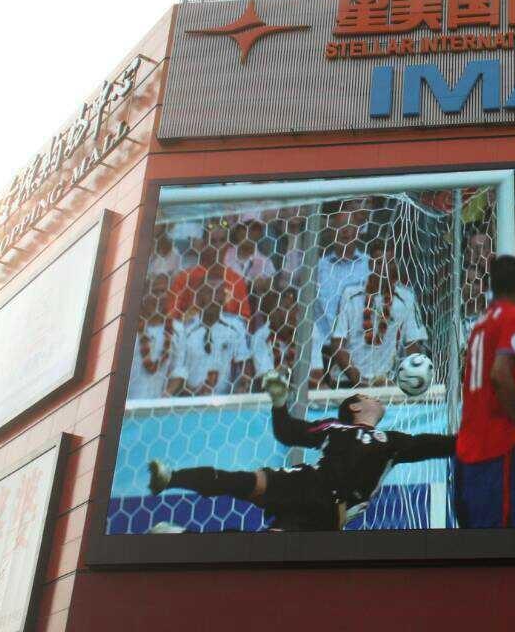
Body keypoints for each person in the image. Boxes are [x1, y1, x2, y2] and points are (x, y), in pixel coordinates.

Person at [148, 372, 456, 531]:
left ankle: (180, 537)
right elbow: (287, 431)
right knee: (242, 481)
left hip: (330, 510)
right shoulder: (333, 428)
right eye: (367, 395)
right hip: (308, 481)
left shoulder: (391, 441)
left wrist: (467, 441)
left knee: (266, 554)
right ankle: (170, 477)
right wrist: (279, 402)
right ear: (355, 407)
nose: (375, 398)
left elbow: (431, 445)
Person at [455, 256, 515, 528]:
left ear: (491, 284)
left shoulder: (481, 324)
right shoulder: (514, 317)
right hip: (497, 450)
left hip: (468, 452)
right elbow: (500, 375)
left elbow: (488, 391)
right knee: (510, 544)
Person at [330, 239, 427, 387]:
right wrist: (358, 380)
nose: (385, 269)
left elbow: (412, 344)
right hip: (348, 381)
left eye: (390, 263)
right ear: (370, 264)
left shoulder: (406, 298)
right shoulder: (350, 295)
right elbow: (338, 343)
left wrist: (403, 381)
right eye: (380, 263)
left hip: (386, 382)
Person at [165, 281, 251, 396]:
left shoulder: (235, 327)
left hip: (224, 399)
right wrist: (192, 391)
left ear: (224, 298)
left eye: (218, 293)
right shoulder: (185, 330)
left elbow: (244, 364)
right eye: (209, 292)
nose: (214, 297)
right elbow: (179, 369)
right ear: (198, 298)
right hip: (191, 398)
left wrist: (242, 387)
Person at [165, 221, 251, 320]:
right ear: (203, 245)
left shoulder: (237, 280)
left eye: (222, 240)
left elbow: (244, 318)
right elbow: (171, 315)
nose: (218, 246)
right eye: (213, 241)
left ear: (228, 245)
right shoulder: (184, 278)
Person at [315, 209, 370, 340]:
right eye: (340, 226)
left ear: (357, 231)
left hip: (357, 344)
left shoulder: (369, 264)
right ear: (332, 231)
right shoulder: (318, 267)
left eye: (349, 226)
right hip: (323, 344)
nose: (345, 230)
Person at [127, 286, 171, 400]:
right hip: (129, 404)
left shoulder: (175, 330)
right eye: (155, 291)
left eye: (163, 291)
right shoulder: (127, 330)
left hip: (158, 405)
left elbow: (178, 370)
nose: (159, 297)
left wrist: (166, 397)